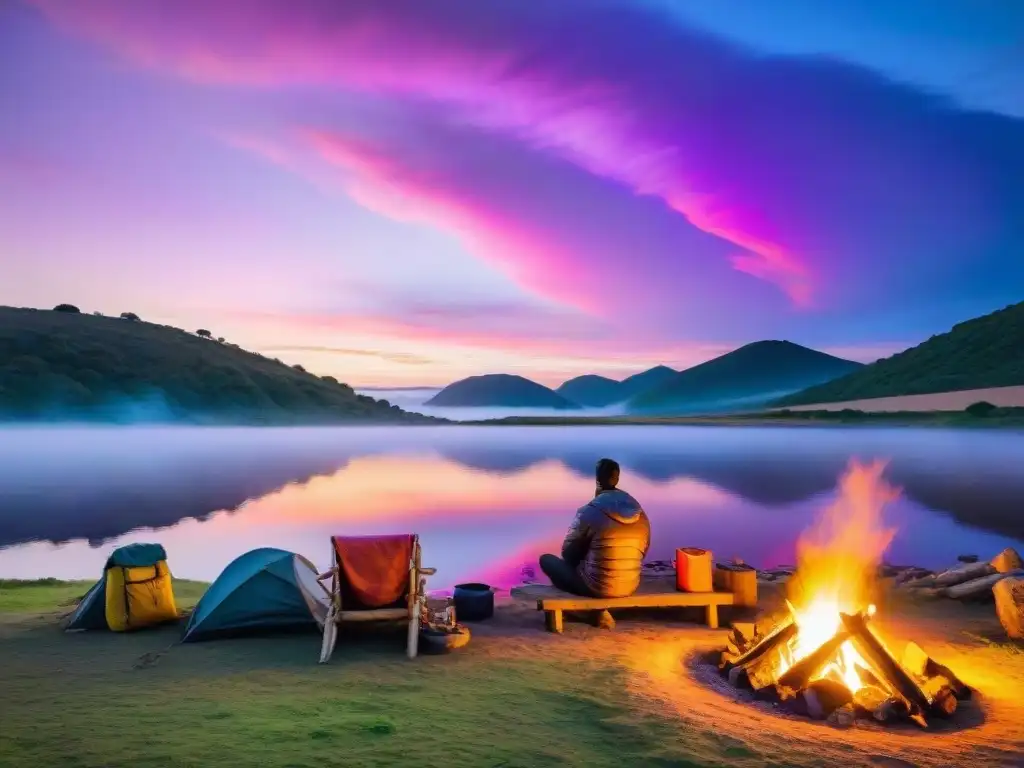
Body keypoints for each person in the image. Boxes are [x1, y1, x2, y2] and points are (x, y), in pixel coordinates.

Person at [539, 458, 651, 620]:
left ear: (597, 479)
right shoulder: (639, 513)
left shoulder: (590, 511)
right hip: (629, 585)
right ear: (617, 478)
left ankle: (589, 614)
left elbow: (567, 555)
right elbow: (643, 551)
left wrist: (583, 548)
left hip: (597, 588)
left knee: (547, 560)